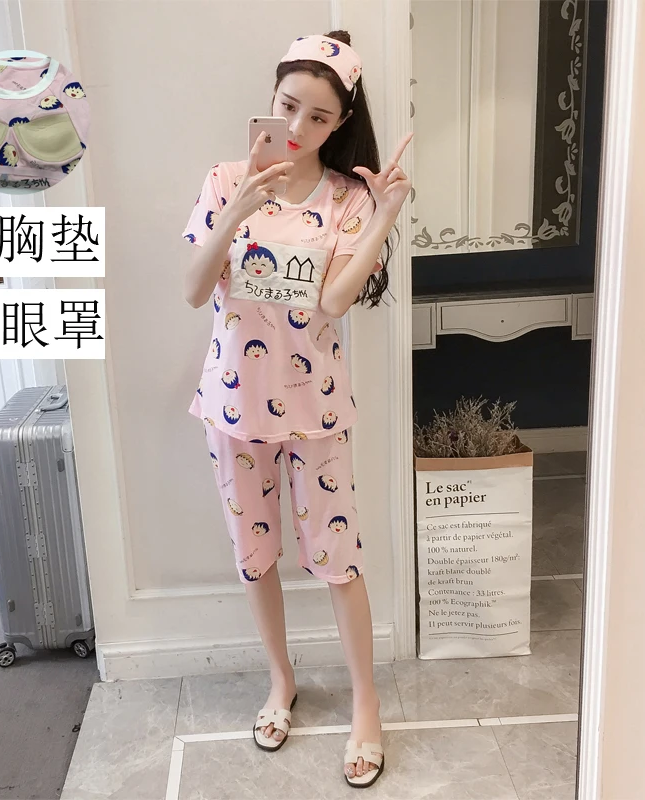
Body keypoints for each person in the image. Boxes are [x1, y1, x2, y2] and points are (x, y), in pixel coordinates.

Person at [181, 29, 412, 789]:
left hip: (316, 412)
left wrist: (384, 215)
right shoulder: (225, 179)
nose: (298, 127)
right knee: (256, 559)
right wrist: (238, 208)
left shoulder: (347, 198)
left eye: (318, 117)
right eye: (288, 107)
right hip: (233, 407)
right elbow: (193, 290)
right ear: (271, 98)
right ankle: (280, 681)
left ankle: (366, 706)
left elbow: (335, 301)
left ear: (340, 123)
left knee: (339, 562)